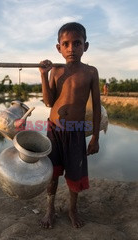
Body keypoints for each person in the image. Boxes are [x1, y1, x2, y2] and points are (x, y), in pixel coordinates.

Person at [39, 22, 101, 228]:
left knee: (75, 174)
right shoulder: (56, 70)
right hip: (54, 130)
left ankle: (72, 210)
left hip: (75, 132)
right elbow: (48, 102)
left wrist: (95, 138)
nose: (71, 48)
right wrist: (43, 74)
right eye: (65, 44)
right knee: (52, 173)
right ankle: (50, 209)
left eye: (77, 43)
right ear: (59, 48)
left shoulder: (91, 72)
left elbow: (97, 107)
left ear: (86, 46)